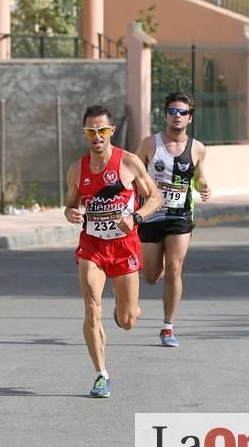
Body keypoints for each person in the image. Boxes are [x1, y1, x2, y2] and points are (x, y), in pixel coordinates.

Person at [64, 105, 161, 398]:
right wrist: (71, 213)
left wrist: (136, 217)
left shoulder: (129, 163)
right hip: (92, 246)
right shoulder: (76, 170)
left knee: (129, 320)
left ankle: (124, 309)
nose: (97, 137)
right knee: (92, 308)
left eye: (102, 131)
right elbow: (71, 204)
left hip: (124, 246)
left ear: (111, 132)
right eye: (92, 131)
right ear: (85, 134)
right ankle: (101, 375)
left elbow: (154, 198)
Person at [135, 92, 211, 348]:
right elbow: (133, 172)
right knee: (152, 276)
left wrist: (203, 186)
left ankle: (168, 327)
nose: (177, 116)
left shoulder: (197, 148)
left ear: (190, 118)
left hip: (180, 215)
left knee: (175, 268)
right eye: (172, 111)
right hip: (151, 214)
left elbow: (198, 176)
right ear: (166, 114)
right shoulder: (149, 144)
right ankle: (130, 299)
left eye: (182, 112)